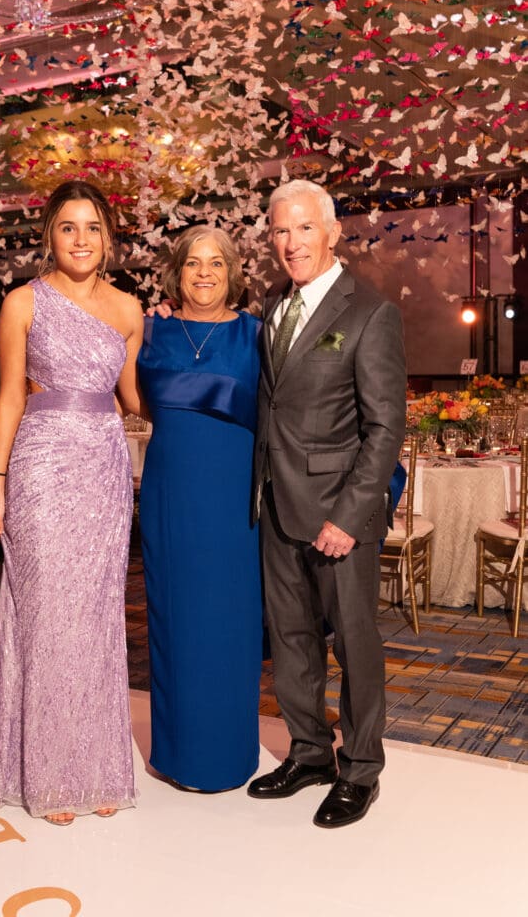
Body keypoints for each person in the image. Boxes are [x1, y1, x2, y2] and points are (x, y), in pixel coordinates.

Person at [0, 179, 144, 826]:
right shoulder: (22, 302)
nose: (80, 238)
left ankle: (98, 768)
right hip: (41, 466)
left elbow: (132, 399)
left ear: (107, 239)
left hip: (103, 467)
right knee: (47, 617)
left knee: (98, 617)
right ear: (50, 234)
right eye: (68, 226)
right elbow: (10, 397)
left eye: (92, 227)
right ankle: (48, 776)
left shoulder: (129, 311)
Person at [247, 179, 406, 828]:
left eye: (303, 228)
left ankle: (360, 765)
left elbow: (384, 427)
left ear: (331, 232)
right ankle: (309, 752)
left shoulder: (369, 310)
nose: (291, 242)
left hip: (338, 513)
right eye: (280, 230)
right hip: (277, 504)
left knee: (354, 642)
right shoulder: (270, 308)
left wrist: (349, 513)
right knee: (289, 642)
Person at [138, 225, 262, 792]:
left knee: (229, 621)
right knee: (175, 618)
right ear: (177, 272)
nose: (204, 273)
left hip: (233, 500)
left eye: (216, 263)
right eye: (193, 263)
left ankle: (229, 752)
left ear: (233, 272)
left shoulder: (255, 335)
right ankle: (180, 753)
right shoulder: (149, 331)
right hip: (170, 497)